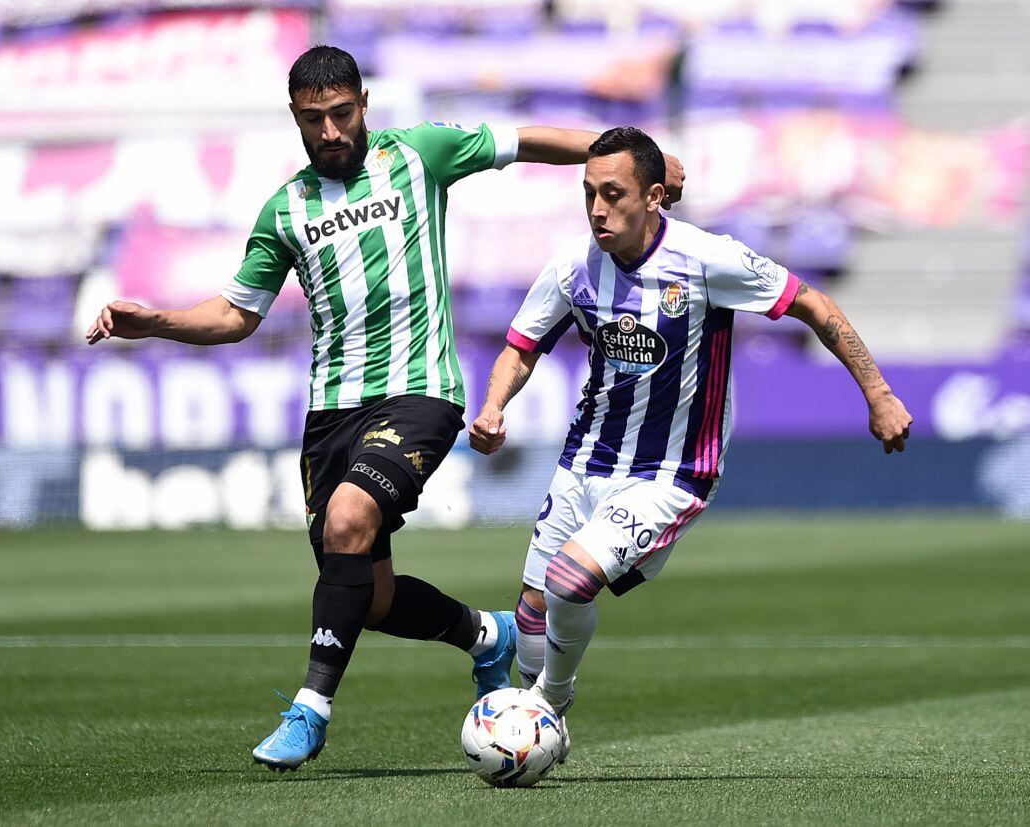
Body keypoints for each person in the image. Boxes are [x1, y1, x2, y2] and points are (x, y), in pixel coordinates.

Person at [84, 48, 686, 772]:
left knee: (348, 518)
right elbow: (236, 314)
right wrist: (158, 322)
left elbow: (522, 141)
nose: (332, 130)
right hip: (330, 414)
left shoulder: (418, 154)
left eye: (342, 114)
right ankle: (486, 636)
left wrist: (634, 162)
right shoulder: (286, 211)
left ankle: (311, 708)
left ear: (364, 103)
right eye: (316, 120)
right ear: (297, 120)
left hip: (421, 391)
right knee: (368, 595)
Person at [468, 126, 912, 760]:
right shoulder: (573, 265)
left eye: (613, 194)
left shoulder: (708, 260)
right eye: (589, 193)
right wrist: (492, 406)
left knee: (570, 582)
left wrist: (878, 392)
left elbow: (813, 303)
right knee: (534, 610)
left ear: (653, 197)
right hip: (584, 461)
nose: (597, 209)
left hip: (671, 472)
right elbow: (522, 343)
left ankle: (550, 708)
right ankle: (540, 710)